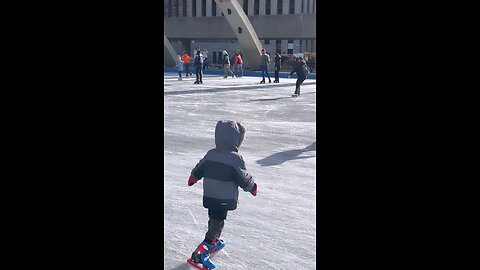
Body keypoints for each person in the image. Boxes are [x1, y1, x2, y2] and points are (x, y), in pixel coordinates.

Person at [187, 120, 257, 269]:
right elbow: (243, 177)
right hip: (224, 198)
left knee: (214, 219)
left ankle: (214, 241)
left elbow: (199, 167)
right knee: (218, 222)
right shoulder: (234, 159)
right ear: (237, 140)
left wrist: (193, 178)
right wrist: (252, 187)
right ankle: (200, 253)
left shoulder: (211, 153)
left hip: (210, 196)